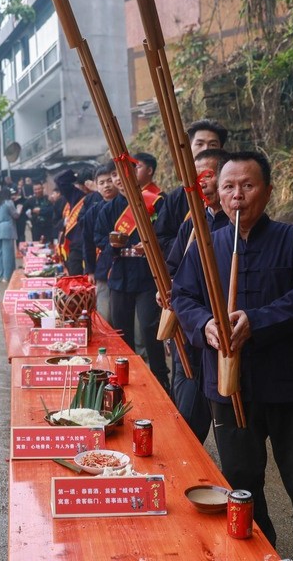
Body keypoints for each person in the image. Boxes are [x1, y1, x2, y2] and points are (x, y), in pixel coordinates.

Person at [172, 151, 293, 559]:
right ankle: (260, 552)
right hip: (229, 388)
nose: (237, 196)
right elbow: (183, 296)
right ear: (217, 193)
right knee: (241, 484)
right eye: (229, 187)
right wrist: (204, 325)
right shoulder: (205, 245)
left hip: (291, 386)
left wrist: (257, 321)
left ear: (267, 190)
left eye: (248, 186)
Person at [164, 148, 231, 444]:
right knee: (187, 419)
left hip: (227, 336)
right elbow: (173, 269)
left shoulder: (239, 225)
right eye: (196, 176)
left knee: (230, 426)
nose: (201, 182)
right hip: (193, 333)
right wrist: (166, 290)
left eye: (208, 175)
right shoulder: (192, 222)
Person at [94, 155, 171, 393]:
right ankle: (124, 381)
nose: (117, 179)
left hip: (148, 275)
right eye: (114, 175)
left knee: (150, 328)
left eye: (123, 173)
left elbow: (168, 233)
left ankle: (160, 380)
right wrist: (111, 244)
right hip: (120, 275)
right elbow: (98, 238)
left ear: (136, 173)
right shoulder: (108, 209)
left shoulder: (156, 202)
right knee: (121, 328)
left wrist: (152, 243)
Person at [155, 119, 229, 256]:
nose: (206, 149)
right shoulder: (177, 197)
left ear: (221, 149)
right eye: (199, 144)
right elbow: (161, 238)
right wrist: (190, 246)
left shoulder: (232, 193)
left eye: (213, 144)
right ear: (188, 147)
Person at [82, 163, 118, 319]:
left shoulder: (127, 207)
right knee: (104, 314)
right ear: (96, 186)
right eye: (102, 183)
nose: (106, 186)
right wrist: (90, 269)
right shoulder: (93, 212)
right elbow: (88, 242)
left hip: (125, 266)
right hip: (102, 267)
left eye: (109, 180)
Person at [54, 169, 94, 276]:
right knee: (75, 280)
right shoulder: (76, 196)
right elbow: (59, 180)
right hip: (77, 246)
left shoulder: (100, 196)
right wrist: (77, 176)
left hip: (94, 246)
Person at [0, 187, 18, 283]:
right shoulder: (8, 202)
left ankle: (0, 275)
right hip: (7, 229)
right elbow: (15, 215)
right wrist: (19, 208)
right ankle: (7, 276)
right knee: (7, 253)